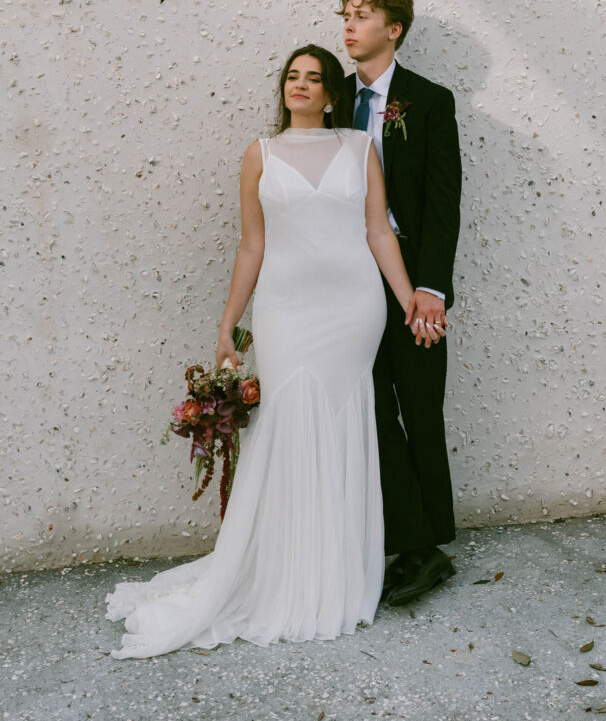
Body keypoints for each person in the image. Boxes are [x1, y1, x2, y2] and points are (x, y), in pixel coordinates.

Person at [105, 43, 417, 657]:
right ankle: (281, 574)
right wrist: (229, 326)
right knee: (287, 426)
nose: (300, 86)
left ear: (332, 93)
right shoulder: (260, 155)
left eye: (314, 78)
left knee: (343, 422)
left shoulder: (360, 147)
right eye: (292, 77)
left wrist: (409, 300)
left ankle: (337, 576)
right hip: (286, 310)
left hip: (354, 307)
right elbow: (252, 247)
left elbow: (377, 230)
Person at [340, 0, 462, 607]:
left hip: (413, 284)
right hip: (348, 282)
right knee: (371, 410)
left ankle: (433, 542)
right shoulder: (335, 103)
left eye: (363, 17)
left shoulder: (430, 102)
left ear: (395, 30)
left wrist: (431, 289)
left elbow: (444, 204)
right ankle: (406, 539)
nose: (349, 27)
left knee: (420, 405)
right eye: (346, 16)